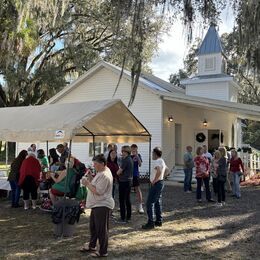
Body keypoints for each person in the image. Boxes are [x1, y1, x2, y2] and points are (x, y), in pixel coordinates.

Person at [80, 154, 114, 257]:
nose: (94, 166)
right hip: (97, 204)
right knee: (93, 227)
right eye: (93, 164)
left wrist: (87, 183)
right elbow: (96, 184)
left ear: (102, 164)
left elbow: (98, 191)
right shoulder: (101, 172)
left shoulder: (105, 175)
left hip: (102, 204)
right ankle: (92, 245)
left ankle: (103, 251)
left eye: (95, 164)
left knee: (101, 229)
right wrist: (90, 177)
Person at [142, 147, 166, 229]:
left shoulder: (157, 161)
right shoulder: (162, 160)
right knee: (157, 202)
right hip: (161, 182)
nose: (152, 155)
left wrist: (154, 180)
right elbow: (167, 170)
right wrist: (161, 178)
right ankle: (159, 221)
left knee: (149, 203)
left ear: (155, 154)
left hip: (156, 183)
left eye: (152, 153)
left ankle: (150, 222)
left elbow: (159, 171)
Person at [116, 145, 133, 223]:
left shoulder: (126, 160)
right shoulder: (130, 159)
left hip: (124, 182)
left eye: (122, 151)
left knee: (122, 200)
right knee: (127, 200)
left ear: (126, 152)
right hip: (128, 181)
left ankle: (123, 218)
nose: (121, 153)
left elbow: (119, 172)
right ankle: (128, 217)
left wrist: (117, 172)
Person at [131, 144, 144, 213]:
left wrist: (136, 156)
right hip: (129, 176)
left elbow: (140, 164)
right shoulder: (129, 156)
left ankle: (140, 206)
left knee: (138, 190)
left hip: (135, 175)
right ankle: (125, 206)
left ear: (137, 149)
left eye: (135, 149)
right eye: (132, 149)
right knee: (127, 191)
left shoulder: (138, 155)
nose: (133, 150)